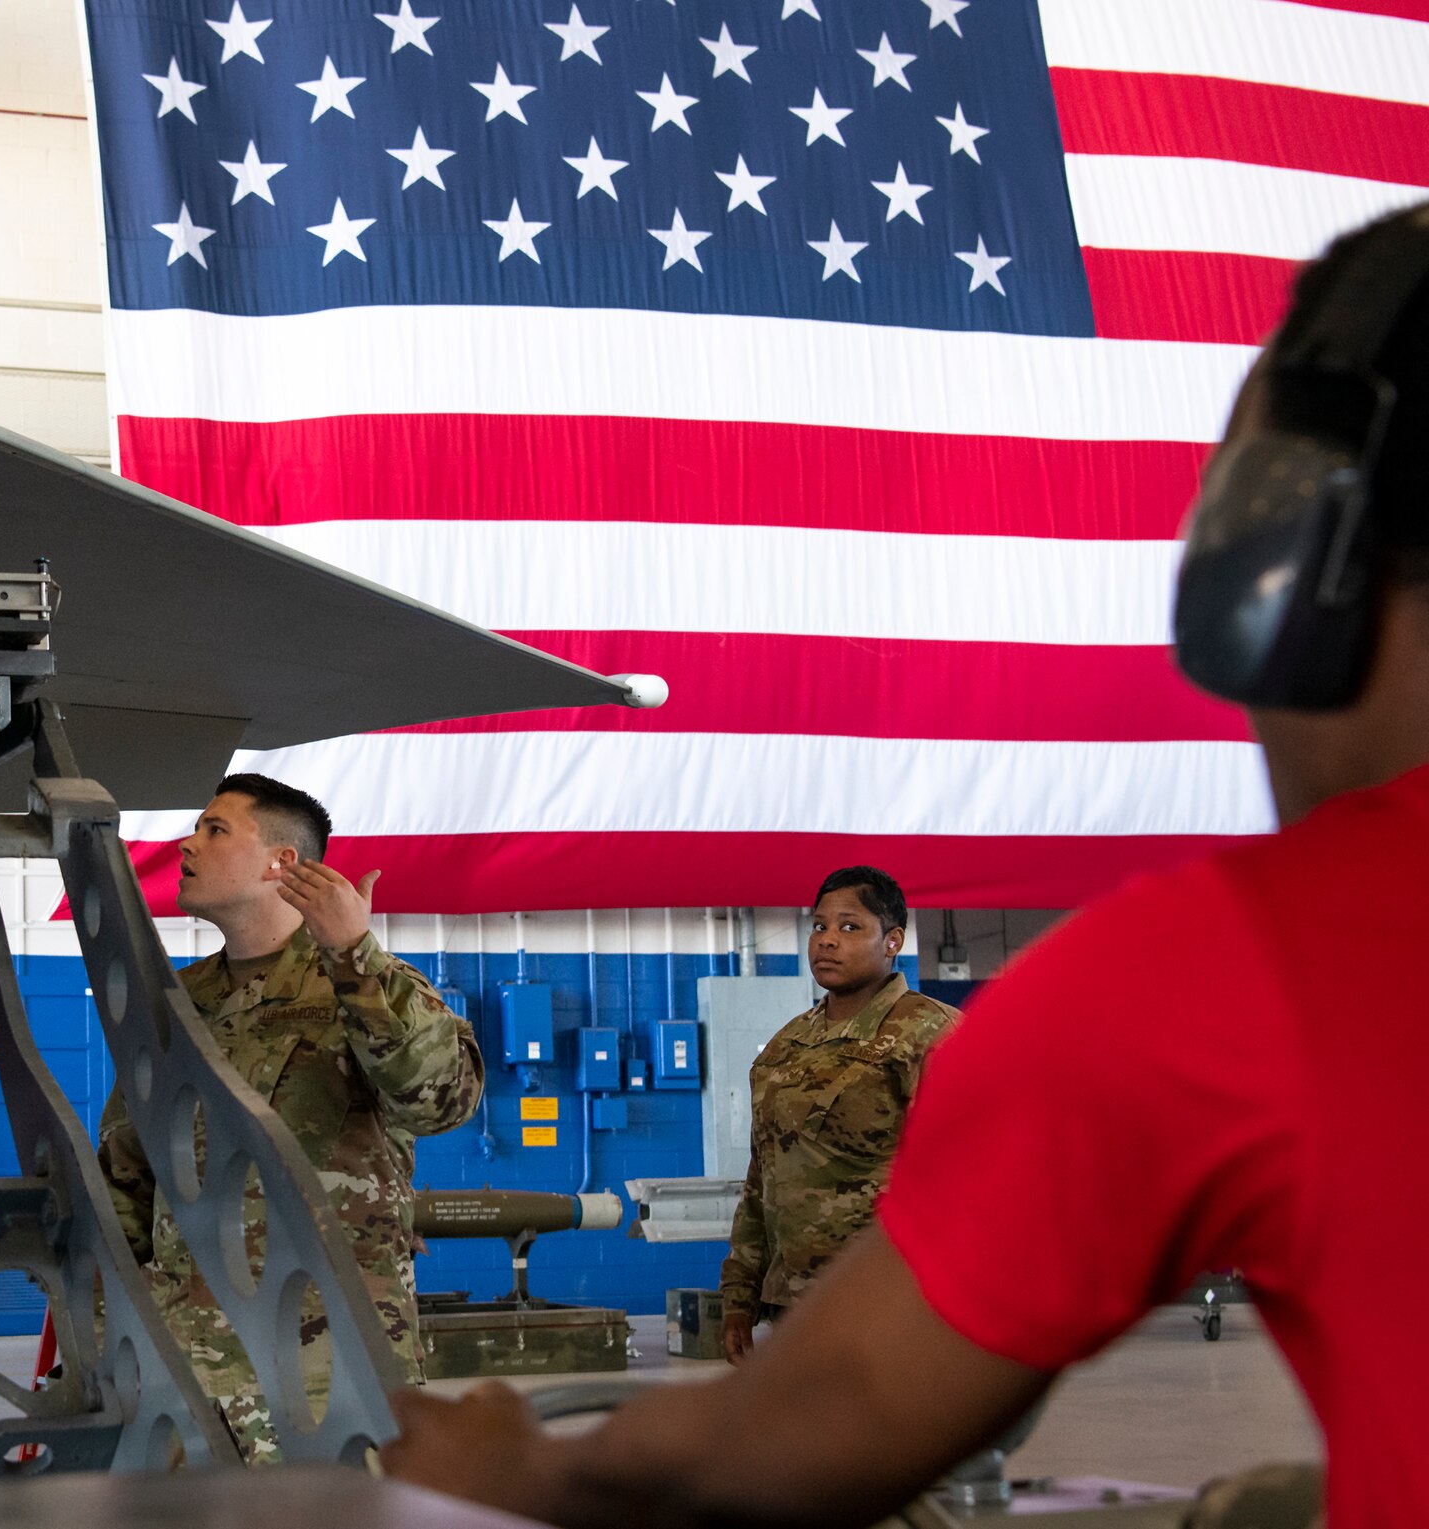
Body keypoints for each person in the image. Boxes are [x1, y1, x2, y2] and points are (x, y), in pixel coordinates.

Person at [384, 206, 1429, 1529]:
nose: (823, 942)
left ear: (1268, 568)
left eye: (842, 925)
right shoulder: (798, 1050)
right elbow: (769, 1197)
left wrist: (517, 1472)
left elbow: (823, 1431)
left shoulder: (1224, 974)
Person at [97, 773, 482, 1463]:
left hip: (326, 1374)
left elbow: (441, 1101)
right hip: (183, 1375)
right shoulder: (177, 1003)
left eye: (216, 829)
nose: (189, 843)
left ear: (283, 862)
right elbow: (128, 1170)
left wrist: (355, 956)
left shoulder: (362, 983)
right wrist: (105, 1333)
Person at [719, 868, 957, 1362]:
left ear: (892, 941)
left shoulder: (929, 1034)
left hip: (890, 1304)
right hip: (793, 1304)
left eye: (850, 927)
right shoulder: (786, 1046)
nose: (827, 941)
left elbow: (969, 1175)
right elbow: (762, 1179)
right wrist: (740, 1295)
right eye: (819, 926)